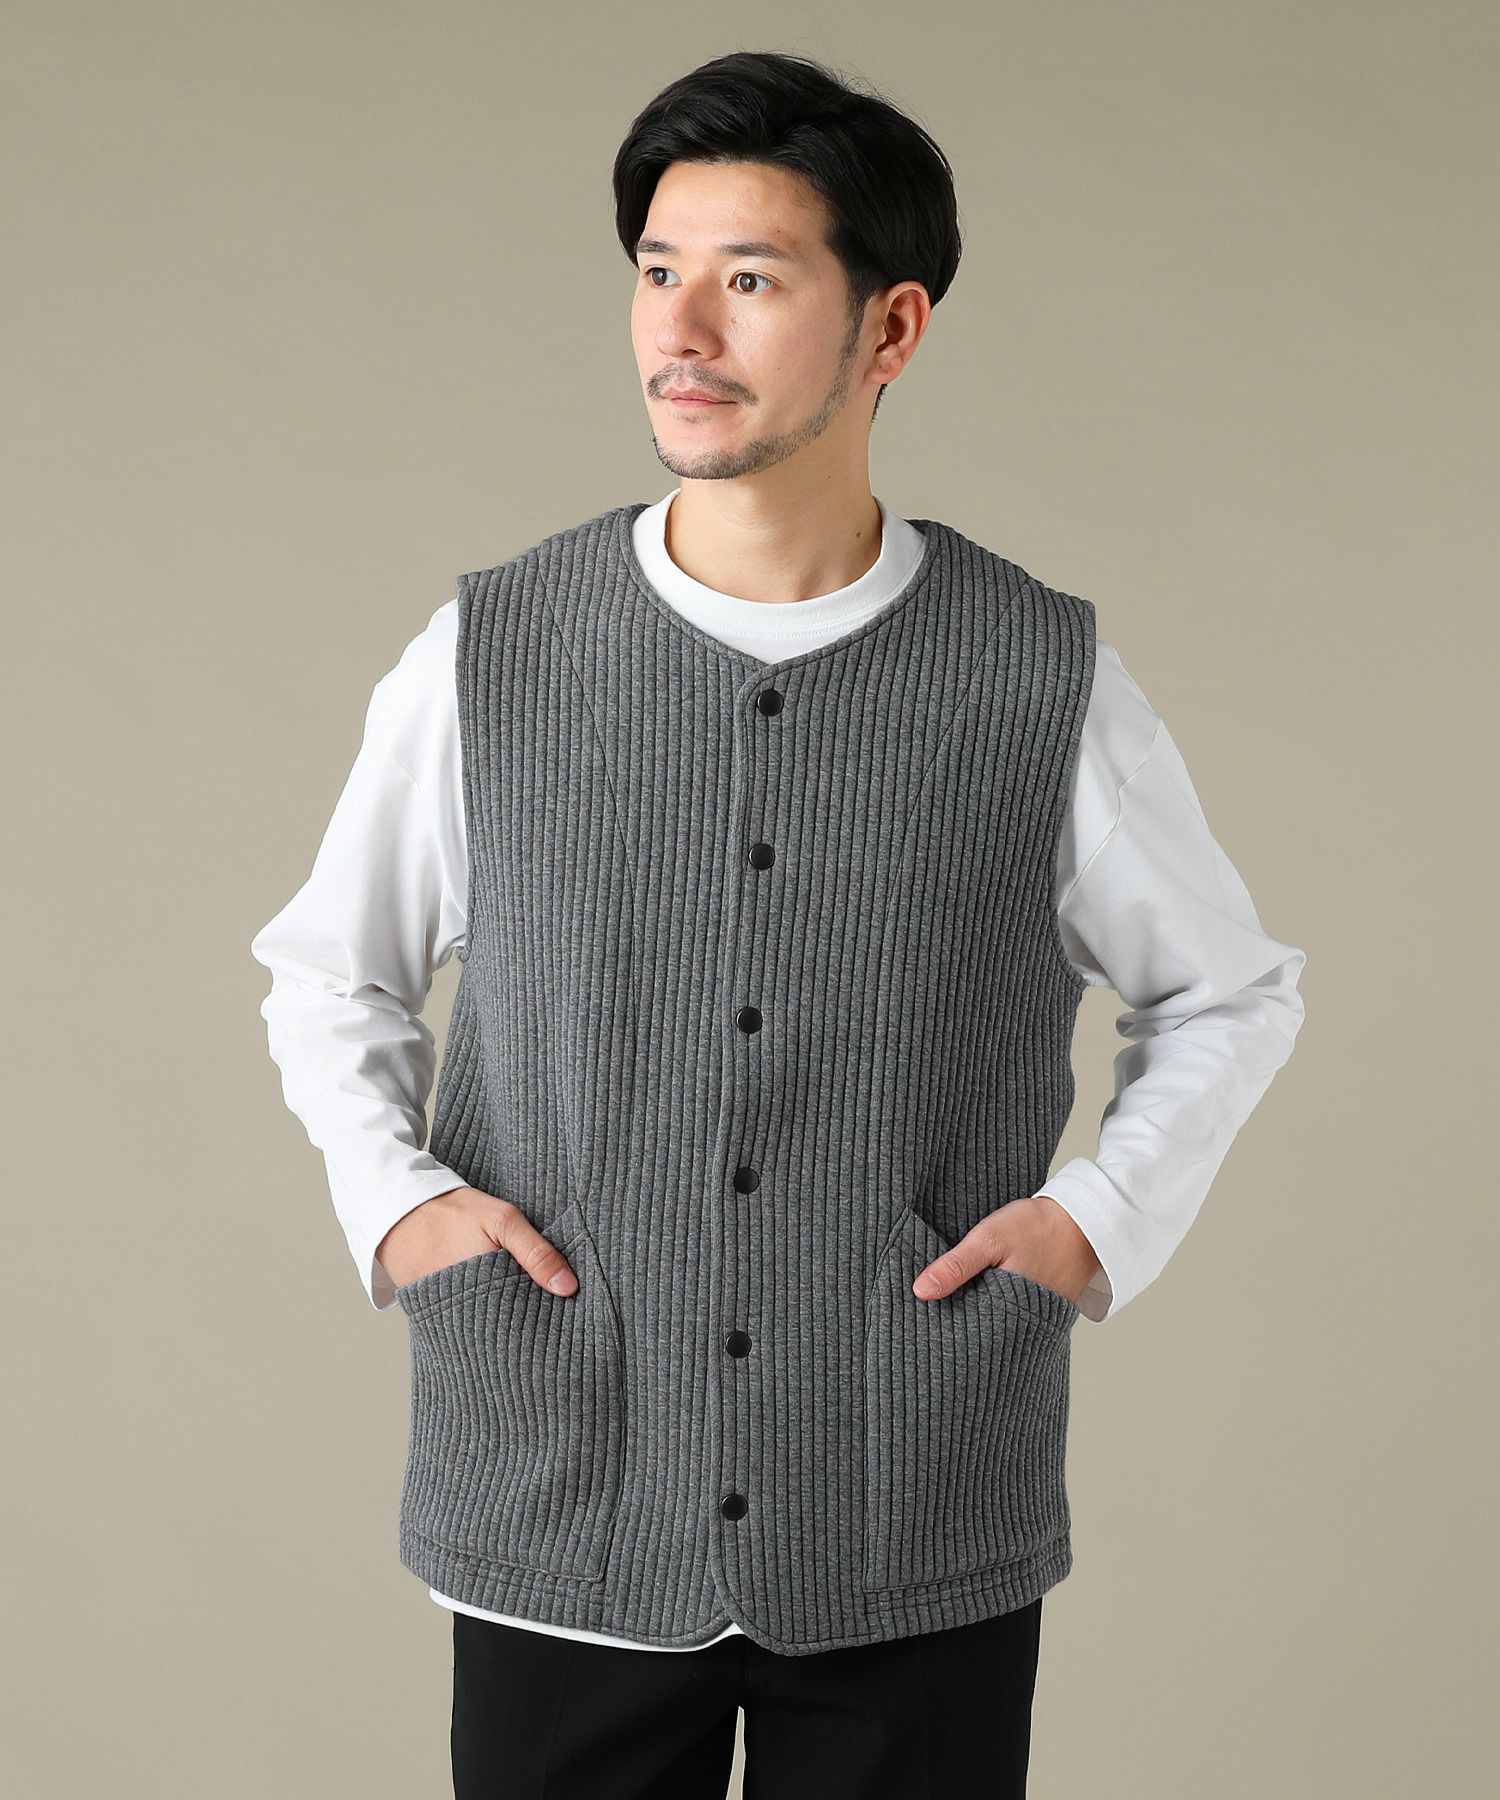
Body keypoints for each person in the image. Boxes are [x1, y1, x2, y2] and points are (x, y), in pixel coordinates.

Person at [250, 48, 1307, 1799]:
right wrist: (400, 1208)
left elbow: (1230, 994)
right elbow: (324, 973)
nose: (681, 330)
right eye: (657, 271)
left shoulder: (1032, 674)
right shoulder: (496, 655)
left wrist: (1096, 1226)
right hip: (563, 1490)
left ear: (891, 328)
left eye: (748, 280)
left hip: (912, 1496)